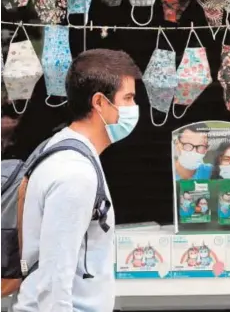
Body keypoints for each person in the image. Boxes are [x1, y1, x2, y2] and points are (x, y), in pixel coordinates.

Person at [10, 49, 141, 312]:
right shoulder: (74, 174)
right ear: (100, 102)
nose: (133, 108)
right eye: (128, 98)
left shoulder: (63, 148)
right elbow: (55, 276)